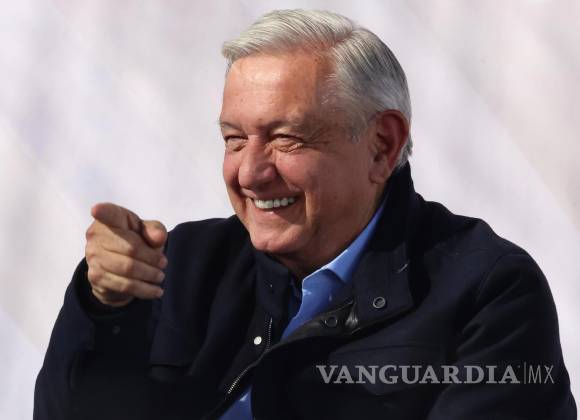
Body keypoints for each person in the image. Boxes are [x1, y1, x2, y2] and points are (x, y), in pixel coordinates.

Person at [34, 9, 576, 420]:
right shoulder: (178, 264)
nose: (250, 173)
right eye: (234, 139)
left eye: (286, 139)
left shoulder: (488, 291)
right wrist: (105, 311)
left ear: (382, 146)